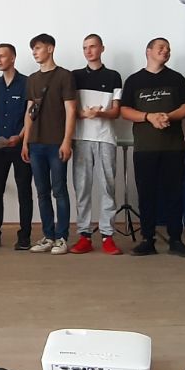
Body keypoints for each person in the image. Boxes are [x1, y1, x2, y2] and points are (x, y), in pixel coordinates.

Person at [119, 37, 185, 258]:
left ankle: (176, 240)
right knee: (146, 195)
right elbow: (124, 111)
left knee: (174, 195)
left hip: (173, 148)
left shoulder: (176, 78)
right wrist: (148, 116)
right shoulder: (134, 80)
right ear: (148, 51)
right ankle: (147, 240)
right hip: (145, 149)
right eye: (161, 47)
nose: (166, 51)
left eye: (168, 48)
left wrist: (168, 116)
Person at [22, 34, 77, 255]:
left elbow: (71, 110)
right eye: (33, 49)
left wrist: (67, 141)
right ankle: (48, 235)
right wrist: (25, 141)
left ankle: (61, 237)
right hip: (35, 143)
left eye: (38, 48)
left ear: (50, 48)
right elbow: (29, 111)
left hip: (56, 143)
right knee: (42, 191)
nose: (34, 52)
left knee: (59, 190)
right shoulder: (32, 79)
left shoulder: (64, 76)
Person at [70, 34, 123, 255]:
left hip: (106, 138)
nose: (88, 51)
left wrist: (101, 113)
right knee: (82, 188)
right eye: (85, 47)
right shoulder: (74, 76)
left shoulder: (113, 76)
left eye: (92, 46)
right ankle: (84, 235)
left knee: (108, 187)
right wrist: (83, 114)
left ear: (102, 48)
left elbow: (116, 111)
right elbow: (70, 109)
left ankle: (107, 236)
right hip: (81, 138)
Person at [0, 43, 33, 249]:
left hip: (20, 145)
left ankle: (24, 236)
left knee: (24, 191)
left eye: (2, 56)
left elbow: (30, 115)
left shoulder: (27, 83)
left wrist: (20, 137)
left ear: (13, 58)